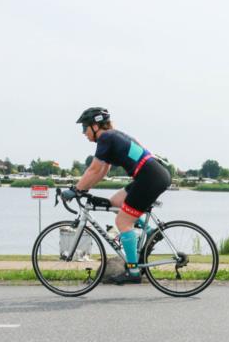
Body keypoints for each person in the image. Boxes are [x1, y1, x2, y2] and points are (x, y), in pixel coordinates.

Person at [64, 107, 171, 284]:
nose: (83, 133)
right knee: (115, 202)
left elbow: (94, 169)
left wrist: (76, 190)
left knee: (123, 222)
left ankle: (133, 271)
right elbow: (101, 172)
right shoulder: (112, 136)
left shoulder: (106, 137)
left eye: (84, 127)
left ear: (96, 126)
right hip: (151, 175)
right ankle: (150, 232)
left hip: (149, 177)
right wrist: (83, 189)